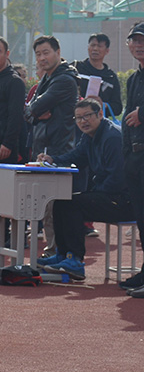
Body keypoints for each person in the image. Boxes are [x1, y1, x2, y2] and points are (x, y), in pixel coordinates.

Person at [35, 99, 130, 281]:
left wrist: (94, 193)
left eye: (87, 116)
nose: (83, 121)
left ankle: (75, 261)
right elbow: (76, 156)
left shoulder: (112, 138)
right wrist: (52, 159)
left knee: (73, 205)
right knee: (60, 202)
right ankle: (63, 255)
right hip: (108, 194)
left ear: (100, 115)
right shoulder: (90, 136)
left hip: (123, 200)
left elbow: (117, 179)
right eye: (78, 118)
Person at [24, 35, 79, 159]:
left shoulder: (64, 80)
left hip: (57, 151)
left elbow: (34, 108)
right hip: (41, 148)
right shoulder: (47, 78)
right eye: (38, 54)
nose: (42, 58)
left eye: (46, 53)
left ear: (58, 52)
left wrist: (33, 113)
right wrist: (35, 117)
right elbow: (28, 111)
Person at [119, 23, 144, 293]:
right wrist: (126, 153)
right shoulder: (134, 78)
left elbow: (136, 114)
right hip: (135, 157)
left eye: (143, 40)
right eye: (135, 41)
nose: (139, 45)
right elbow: (127, 117)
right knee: (141, 217)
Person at [0, 36, 27, 164]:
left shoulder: (14, 81)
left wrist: (8, 143)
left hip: (3, 147)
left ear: (7, 54)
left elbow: (15, 116)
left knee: (2, 183)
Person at [75, 33, 122, 118]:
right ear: (88, 47)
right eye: (93, 45)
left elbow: (118, 107)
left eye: (99, 46)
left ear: (107, 51)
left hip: (99, 123)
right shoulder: (76, 68)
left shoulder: (110, 77)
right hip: (75, 121)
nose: (95, 49)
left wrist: (103, 104)